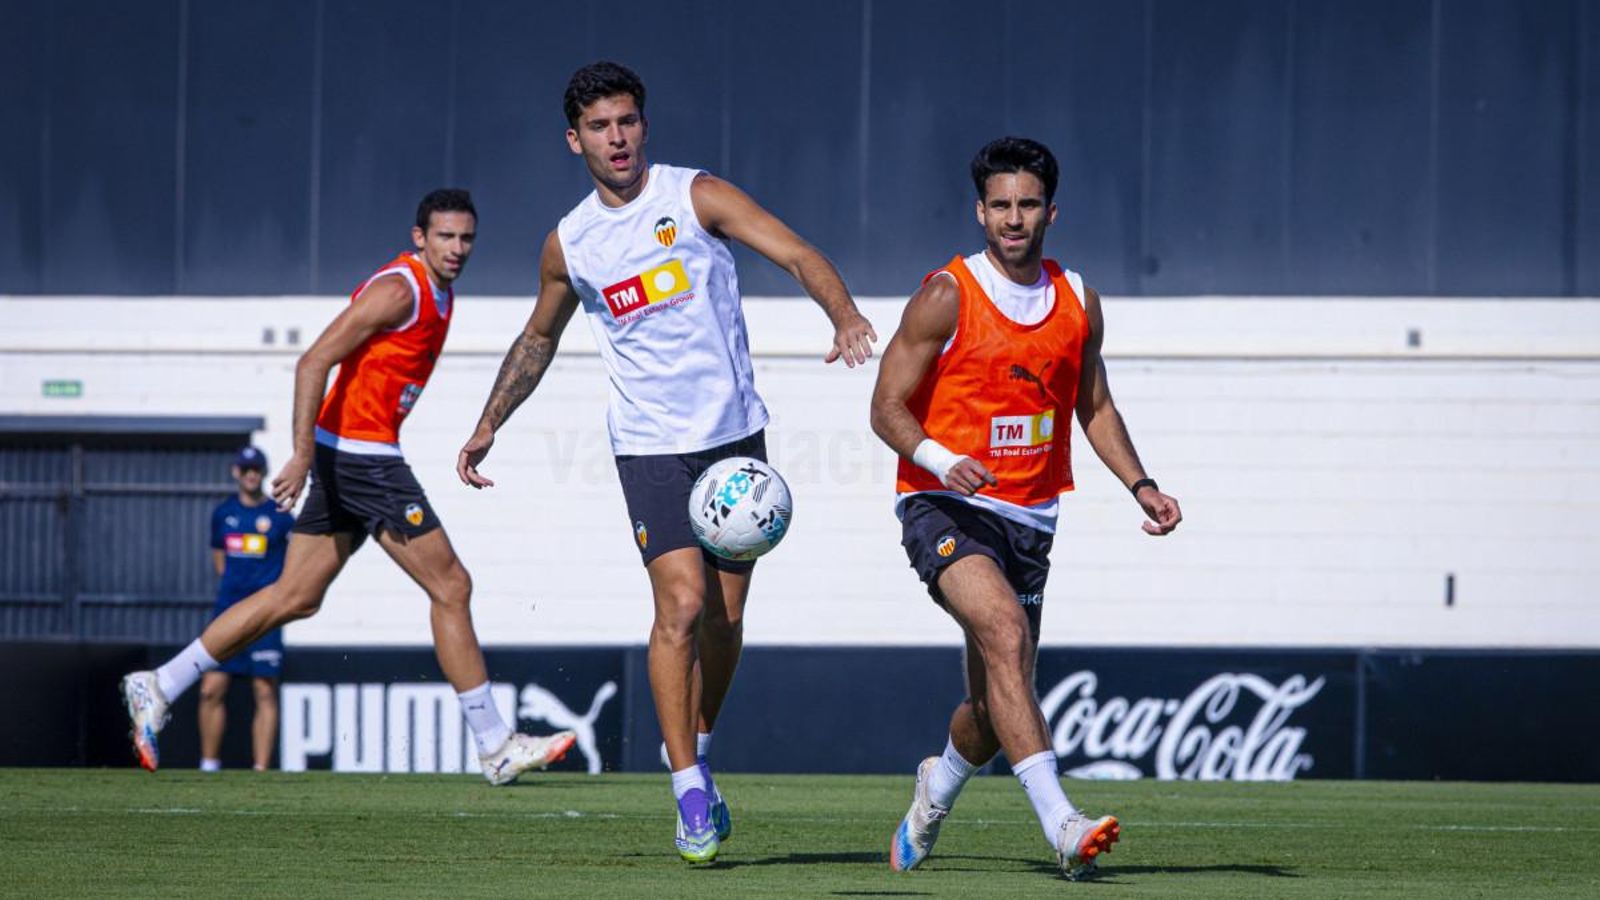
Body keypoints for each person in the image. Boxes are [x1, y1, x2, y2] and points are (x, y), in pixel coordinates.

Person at [456, 61, 876, 863]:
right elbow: (538, 337)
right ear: (573, 139)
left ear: (643, 125)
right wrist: (488, 424)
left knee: (724, 622)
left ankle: (700, 750)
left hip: (734, 443)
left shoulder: (696, 197)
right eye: (600, 127)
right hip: (648, 448)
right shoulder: (570, 242)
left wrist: (845, 311)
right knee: (679, 609)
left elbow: (795, 251)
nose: (617, 139)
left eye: (627, 122)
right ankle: (686, 791)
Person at [121, 189, 576, 782]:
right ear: (420, 237)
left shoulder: (440, 291)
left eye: (467, 238)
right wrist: (303, 455)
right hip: (364, 458)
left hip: (353, 455)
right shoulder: (401, 289)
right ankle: (494, 744)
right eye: (445, 237)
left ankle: (159, 682)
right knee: (452, 586)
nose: (457, 248)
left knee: (296, 597)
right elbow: (313, 361)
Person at [869, 137, 1182, 879]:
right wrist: (945, 460)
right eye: (1001, 205)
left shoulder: (1078, 299)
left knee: (989, 709)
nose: (1014, 218)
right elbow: (885, 408)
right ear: (980, 210)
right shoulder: (947, 294)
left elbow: (1093, 404)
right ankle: (1062, 824)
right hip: (944, 504)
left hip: (1031, 522)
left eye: (1028, 204)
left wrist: (1142, 484)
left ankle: (935, 789)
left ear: (1051, 212)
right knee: (1005, 633)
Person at [198, 445, 295, 771]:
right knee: (212, 688)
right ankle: (209, 765)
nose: (251, 474)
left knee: (264, 690)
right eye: (246, 469)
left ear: (263, 474)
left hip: (267, 615)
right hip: (228, 609)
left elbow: (295, 561)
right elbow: (219, 560)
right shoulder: (223, 514)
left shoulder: (279, 516)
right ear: (236, 472)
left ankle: (261, 769)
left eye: (257, 469)